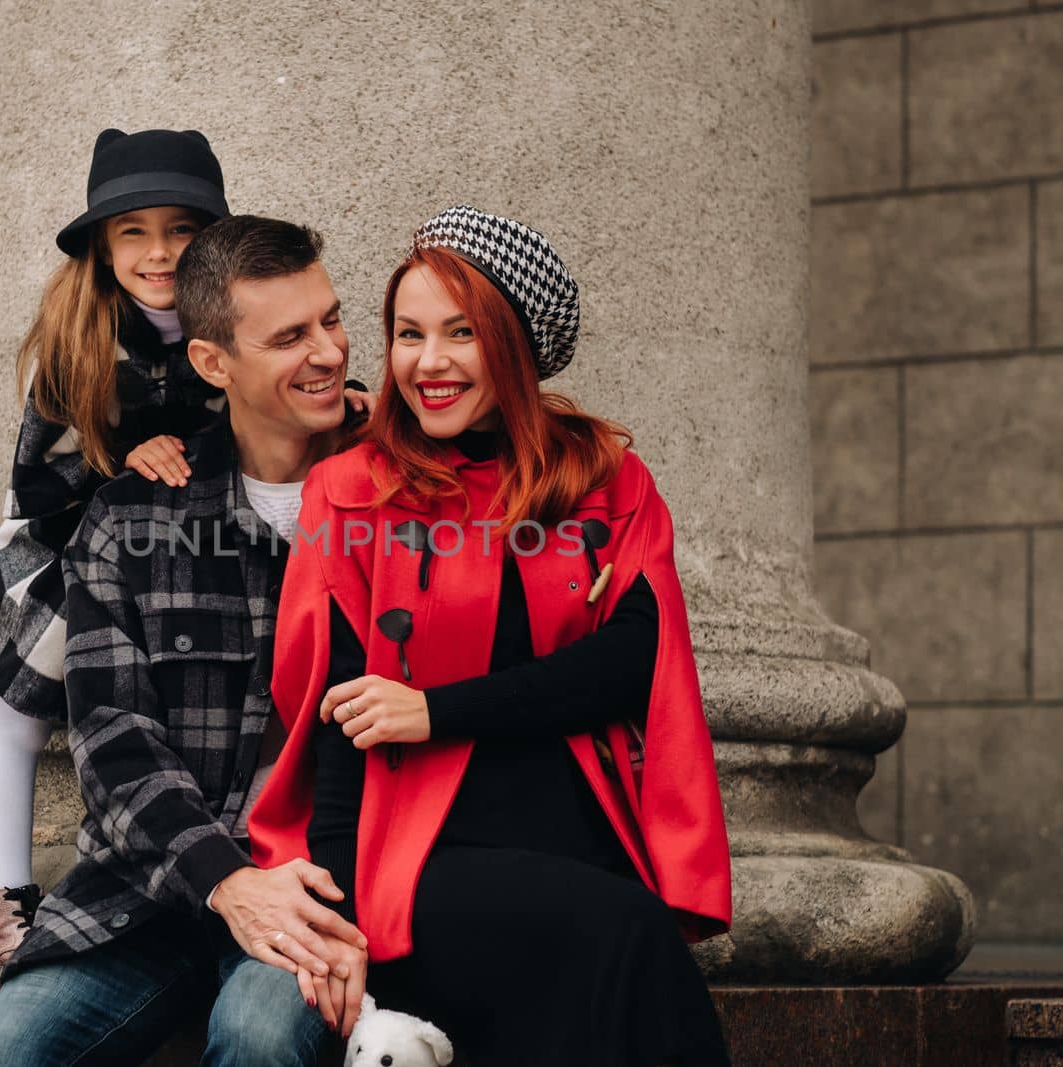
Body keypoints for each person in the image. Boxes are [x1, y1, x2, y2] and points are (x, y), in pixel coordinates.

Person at [248, 205, 734, 1065]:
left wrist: (435, 709)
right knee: (623, 939)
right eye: (407, 333)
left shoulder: (606, 479)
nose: (427, 363)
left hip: (580, 833)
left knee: (597, 963)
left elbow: (628, 664)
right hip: (423, 853)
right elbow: (339, 716)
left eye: (460, 333)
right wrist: (346, 909)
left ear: (513, 343)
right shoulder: (352, 490)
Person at [0, 216, 372, 1067]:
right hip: (140, 900)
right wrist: (225, 878)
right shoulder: (134, 513)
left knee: (257, 1039)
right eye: (290, 335)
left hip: (310, 889)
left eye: (329, 320)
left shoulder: (393, 501)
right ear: (213, 363)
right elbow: (115, 740)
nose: (329, 352)